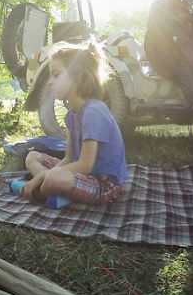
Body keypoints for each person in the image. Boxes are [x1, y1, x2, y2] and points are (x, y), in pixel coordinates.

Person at [20, 44, 127, 207]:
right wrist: (45, 176)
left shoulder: (94, 111)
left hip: (103, 185)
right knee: (32, 157)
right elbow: (69, 158)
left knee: (53, 177)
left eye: (56, 75)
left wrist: (40, 178)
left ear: (77, 75)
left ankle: (40, 192)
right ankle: (54, 190)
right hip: (78, 174)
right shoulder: (71, 115)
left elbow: (85, 165)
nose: (50, 82)